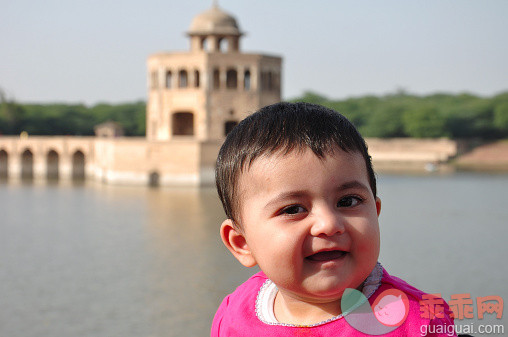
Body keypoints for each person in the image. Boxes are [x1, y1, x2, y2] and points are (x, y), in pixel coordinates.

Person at [212, 102, 456, 336]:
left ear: (376, 212)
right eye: (293, 209)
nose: (328, 224)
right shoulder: (235, 314)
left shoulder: (418, 322)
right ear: (242, 243)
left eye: (348, 202)